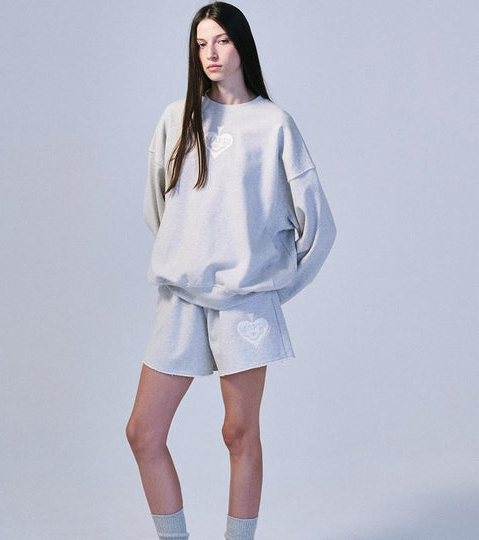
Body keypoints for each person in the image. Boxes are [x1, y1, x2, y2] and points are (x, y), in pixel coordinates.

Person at [126, 2, 336, 539]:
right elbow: (157, 208)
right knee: (144, 432)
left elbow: (320, 227)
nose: (211, 53)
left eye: (221, 40)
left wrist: (271, 291)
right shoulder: (178, 117)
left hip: (246, 302)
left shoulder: (273, 124)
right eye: (201, 44)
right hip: (181, 297)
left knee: (238, 433)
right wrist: (187, 252)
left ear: (242, 43)